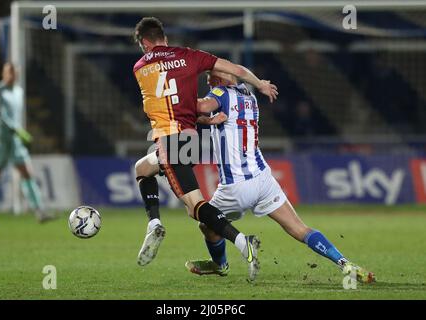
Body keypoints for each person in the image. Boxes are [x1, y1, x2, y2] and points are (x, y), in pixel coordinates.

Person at [185, 70, 375, 284]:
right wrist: (207, 120)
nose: (208, 80)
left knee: (202, 219)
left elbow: (200, 106)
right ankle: (345, 263)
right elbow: (227, 101)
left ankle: (221, 264)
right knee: (299, 229)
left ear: (225, 78)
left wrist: (174, 101)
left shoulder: (221, 93)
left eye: (212, 75)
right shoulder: (248, 94)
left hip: (236, 185)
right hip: (263, 177)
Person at [132, 17, 278, 281]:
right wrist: (260, 85)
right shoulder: (190, 56)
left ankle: (244, 242)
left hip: (169, 139)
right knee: (142, 168)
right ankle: (153, 223)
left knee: (195, 205)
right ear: (163, 36)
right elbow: (235, 70)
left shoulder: (140, 67)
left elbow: (165, 103)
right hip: (189, 139)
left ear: (144, 42)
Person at [0, 63, 52, 225]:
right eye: (9, 73)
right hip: (0, 140)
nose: (12, 76)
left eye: (14, 73)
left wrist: (18, 132)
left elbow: (16, 115)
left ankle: (40, 212)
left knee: (28, 174)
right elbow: (2, 116)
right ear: (4, 74)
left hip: (15, 141)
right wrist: (19, 131)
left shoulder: (19, 91)